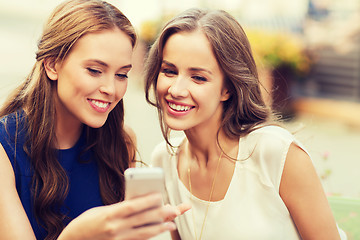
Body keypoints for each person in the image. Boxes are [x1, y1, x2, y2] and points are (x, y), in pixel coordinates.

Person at [144, 8, 342, 240]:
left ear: (227, 88)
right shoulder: (163, 160)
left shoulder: (275, 153)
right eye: (169, 71)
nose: (176, 90)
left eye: (198, 77)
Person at [0, 0, 186, 239]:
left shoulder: (121, 142)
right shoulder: (6, 149)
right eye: (95, 71)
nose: (111, 88)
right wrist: (76, 235)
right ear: (52, 64)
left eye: (121, 74)